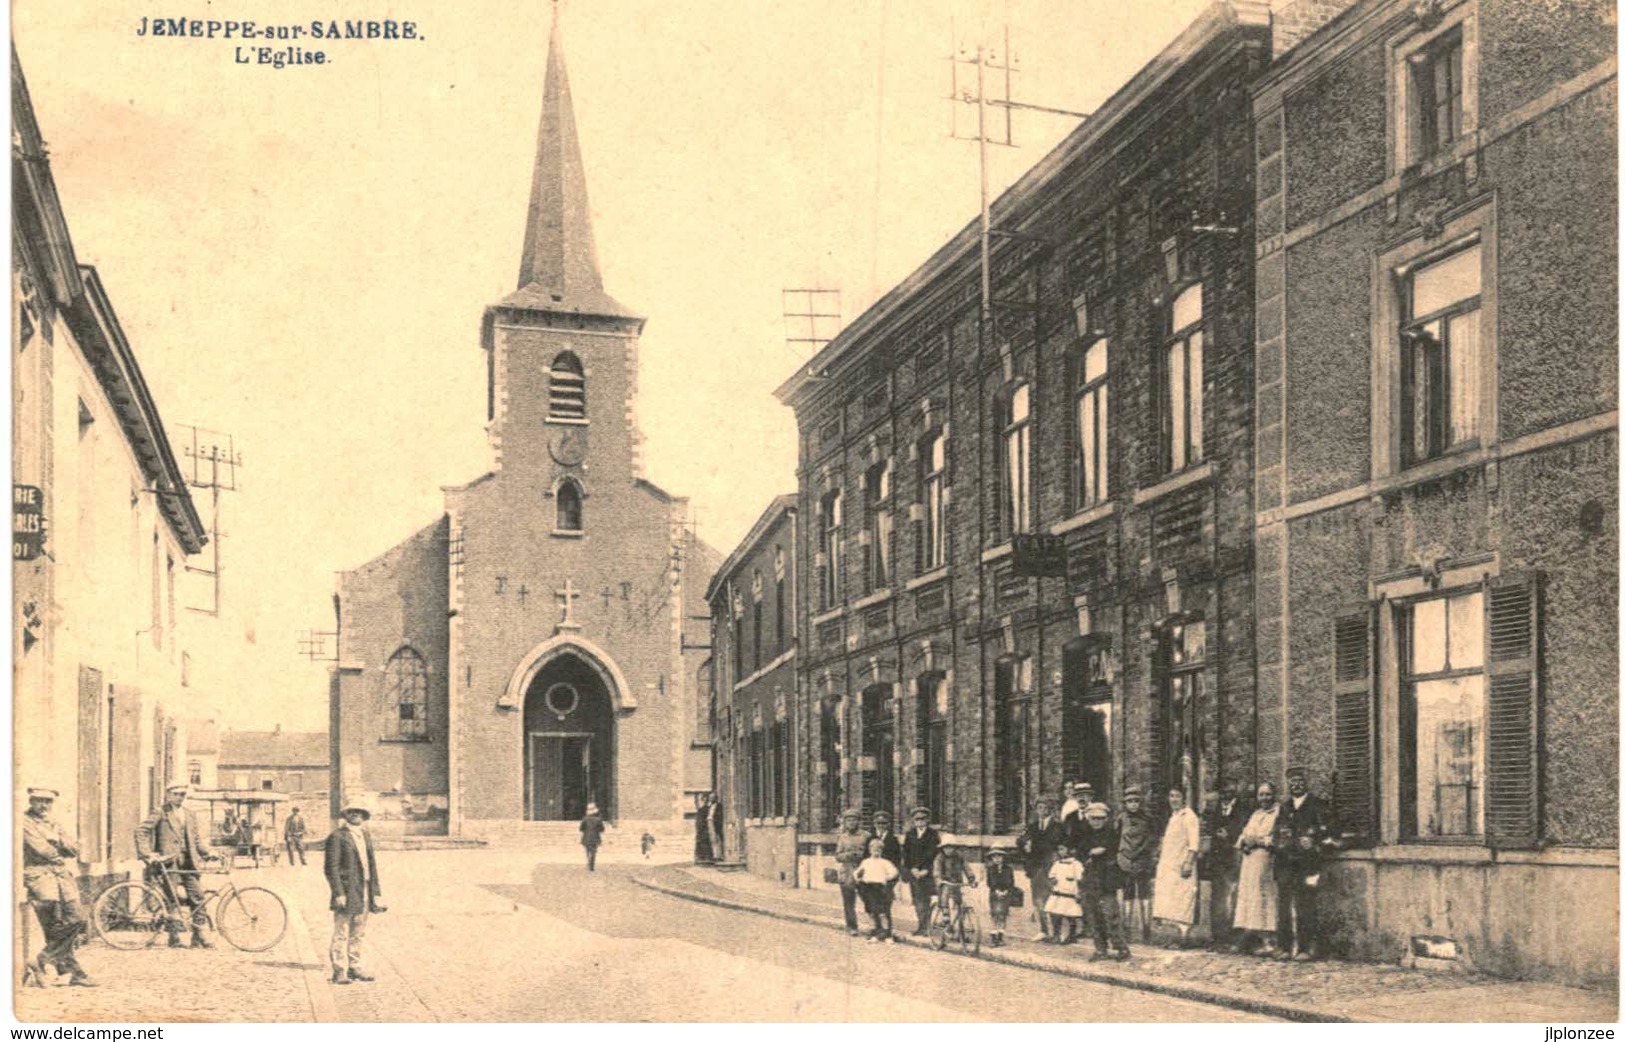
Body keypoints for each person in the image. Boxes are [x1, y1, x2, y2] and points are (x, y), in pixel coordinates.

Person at [21, 788, 95, 987]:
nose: (44, 806)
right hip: (40, 877)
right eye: (39, 801)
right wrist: (58, 843)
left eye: (48, 802)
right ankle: (73, 972)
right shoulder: (24, 822)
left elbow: (73, 849)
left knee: (78, 917)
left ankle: (40, 960)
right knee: (54, 926)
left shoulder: (53, 823)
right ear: (31, 801)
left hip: (62, 877)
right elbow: (43, 850)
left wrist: (57, 838)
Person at [135, 783, 220, 948]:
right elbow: (141, 831)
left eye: (182, 794)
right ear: (168, 795)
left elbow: (195, 841)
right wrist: (147, 854)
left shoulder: (190, 814)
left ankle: (199, 935)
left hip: (188, 861)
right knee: (171, 898)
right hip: (169, 862)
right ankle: (174, 937)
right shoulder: (161, 812)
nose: (180, 797)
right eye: (176, 794)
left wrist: (208, 852)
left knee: (198, 896)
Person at [1274, 766, 1338, 961]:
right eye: (1292, 781)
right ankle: (1284, 947)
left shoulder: (1319, 806)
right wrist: (1279, 844)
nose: (1296, 784)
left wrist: (1315, 843)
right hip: (1286, 864)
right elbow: (1276, 835)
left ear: (1306, 783)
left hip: (1309, 865)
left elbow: (1334, 838)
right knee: (1284, 906)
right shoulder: (1284, 808)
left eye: (1300, 780)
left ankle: (1307, 948)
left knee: (1307, 905)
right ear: (1288, 784)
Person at [325, 801, 385, 985]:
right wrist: (338, 893)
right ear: (346, 815)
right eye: (352, 812)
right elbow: (331, 868)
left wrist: (375, 892)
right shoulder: (337, 837)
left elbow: (371, 865)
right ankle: (339, 971)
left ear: (364, 816)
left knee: (358, 931)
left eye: (359, 812)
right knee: (342, 931)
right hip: (347, 891)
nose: (355, 815)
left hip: (364, 890)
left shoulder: (365, 835)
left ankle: (355, 967)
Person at [1233, 782, 1281, 956]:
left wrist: (1259, 841)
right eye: (1261, 795)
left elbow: (1277, 838)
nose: (1264, 798)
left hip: (1265, 860)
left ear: (1274, 795)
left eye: (1268, 794)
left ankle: (1270, 941)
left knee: (1264, 896)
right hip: (1249, 861)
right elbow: (1245, 834)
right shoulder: (1256, 814)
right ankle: (1256, 938)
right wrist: (1244, 843)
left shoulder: (1278, 813)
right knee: (1250, 896)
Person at [1077, 802, 1130, 960]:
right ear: (1088, 818)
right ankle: (1100, 949)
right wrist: (1089, 853)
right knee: (1093, 916)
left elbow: (1112, 852)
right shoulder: (1084, 834)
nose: (1096, 822)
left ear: (1106, 819)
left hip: (1106, 881)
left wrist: (1097, 853)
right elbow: (1079, 852)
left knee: (1111, 915)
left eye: (1100, 818)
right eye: (1093, 818)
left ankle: (1122, 948)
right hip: (1089, 880)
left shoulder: (1112, 834)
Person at [1152, 786, 1202, 947]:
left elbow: (1194, 843)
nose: (1173, 800)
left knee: (1183, 901)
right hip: (1169, 866)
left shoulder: (1189, 816)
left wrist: (1188, 863)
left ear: (1184, 798)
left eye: (1177, 796)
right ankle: (1173, 938)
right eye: (1171, 796)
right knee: (1171, 902)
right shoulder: (1174, 816)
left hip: (1182, 866)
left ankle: (1183, 940)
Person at [1202, 783, 1249, 949]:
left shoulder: (1242, 809)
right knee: (1217, 898)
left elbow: (1245, 830)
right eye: (1224, 792)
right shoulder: (1215, 810)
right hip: (1217, 860)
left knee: (1231, 896)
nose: (1226, 795)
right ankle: (1218, 937)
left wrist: (1229, 835)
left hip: (1233, 857)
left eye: (1230, 792)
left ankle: (1233, 937)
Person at [1018, 795, 1065, 941]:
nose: (1042, 811)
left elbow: (1055, 843)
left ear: (1050, 810)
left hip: (1051, 867)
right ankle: (1044, 930)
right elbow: (1020, 840)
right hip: (1036, 868)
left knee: (1054, 899)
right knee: (1039, 900)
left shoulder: (1057, 827)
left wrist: (1035, 844)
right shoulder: (1032, 826)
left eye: (1045, 808)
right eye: (1039, 808)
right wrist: (1025, 843)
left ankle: (1056, 933)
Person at [1115, 785, 1157, 943]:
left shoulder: (1148, 819)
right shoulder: (1121, 819)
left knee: (1145, 894)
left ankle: (1147, 930)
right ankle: (1127, 930)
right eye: (1129, 801)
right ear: (1125, 803)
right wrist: (1121, 857)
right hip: (1126, 861)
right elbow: (1116, 838)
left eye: (1136, 801)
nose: (1133, 804)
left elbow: (1152, 840)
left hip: (1143, 861)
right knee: (1127, 895)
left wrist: (1147, 856)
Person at [901, 806, 942, 935]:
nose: (920, 822)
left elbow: (933, 854)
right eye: (917, 819)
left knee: (926, 900)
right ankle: (921, 926)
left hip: (927, 873)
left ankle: (926, 927)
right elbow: (906, 853)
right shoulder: (910, 834)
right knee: (917, 900)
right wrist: (912, 869)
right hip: (914, 873)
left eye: (923, 819)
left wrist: (926, 870)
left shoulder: (933, 835)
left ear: (927, 820)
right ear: (914, 820)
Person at [853, 837, 899, 943]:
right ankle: (875, 932)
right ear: (869, 850)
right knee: (871, 912)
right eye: (873, 849)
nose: (876, 851)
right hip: (867, 888)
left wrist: (886, 878)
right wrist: (858, 877)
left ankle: (887, 934)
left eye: (879, 849)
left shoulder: (885, 862)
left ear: (882, 851)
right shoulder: (866, 862)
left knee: (883, 912)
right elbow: (857, 872)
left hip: (879, 888)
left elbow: (894, 872)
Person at [834, 809, 869, 936]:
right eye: (848, 820)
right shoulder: (842, 837)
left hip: (863, 871)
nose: (851, 822)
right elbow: (837, 856)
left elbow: (871, 853)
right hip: (847, 872)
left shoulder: (866, 836)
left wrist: (860, 855)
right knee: (849, 902)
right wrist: (848, 855)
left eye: (854, 820)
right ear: (845, 822)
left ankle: (875, 926)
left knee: (869, 899)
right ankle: (852, 927)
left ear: (858, 821)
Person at [1043, 842, 1083, 945]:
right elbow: (1051, 875)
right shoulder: (1057, 863)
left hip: (1070, 892)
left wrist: (1079, 892)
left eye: (1062, 849)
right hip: (1058, 892)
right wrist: (1053, 881)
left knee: (1070, 915)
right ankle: (1056, 935)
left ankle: (1072, 935)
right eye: (1059, 849)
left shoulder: (1076, 864)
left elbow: (1080, 879)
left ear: (1070, 850)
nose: (1060, 852)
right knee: (1054, 913)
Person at [931, 841, 977, 928]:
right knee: (945, 894)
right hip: (944, 882)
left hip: (956, 882)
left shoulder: (959, 856)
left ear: (954, 848)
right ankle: (945, 916)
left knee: (959, 902)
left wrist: (971, 878)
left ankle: (959, 928)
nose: (949, 850)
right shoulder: (940, 858)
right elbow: (937, 870)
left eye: (951, 847)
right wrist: (939, 879)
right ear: (943, 848)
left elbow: (966, 867)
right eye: (946, 848)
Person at [983, 847, 1017, 947]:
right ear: (992, 858)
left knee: (1003, 914)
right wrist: (996, 891)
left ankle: (1000, 936)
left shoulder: (1008, 869)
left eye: (999, 856)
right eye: (994, 857)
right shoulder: (990, 869)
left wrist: (1006, 890)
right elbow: (990, 882)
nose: (997, 859)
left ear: (1003, 857)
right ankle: (994, 937)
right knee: (995, 914)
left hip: (1006, 894)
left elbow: (1011, 882)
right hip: (994, 894)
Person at [579, 802, 605, 872]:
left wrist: (586, 830)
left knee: (587, 851)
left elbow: (581, 828)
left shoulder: (585, 819)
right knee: (593, 852)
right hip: (595, 838)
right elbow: (602, 829)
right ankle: (591, 866)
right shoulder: (598, 819)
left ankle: (588, 862)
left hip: (586, 837)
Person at [694, 794, 715, 864]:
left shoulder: (704, 809)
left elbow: (700, 822)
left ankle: (704, 858)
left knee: (704, 843)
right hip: (704, 830)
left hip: (704, 830)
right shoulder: (706, 809)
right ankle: (704, 858)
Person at [706, 793, 725, 862]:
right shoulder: (709, 806)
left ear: (715, 798)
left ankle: (719, 855)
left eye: (712, 797)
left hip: (715, 823)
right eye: (710, 797)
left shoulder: (719, 806)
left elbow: (719, 816)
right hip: (710, 822)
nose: (710, 799)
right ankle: (715, 855)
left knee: (718, 839)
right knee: (712, 839)